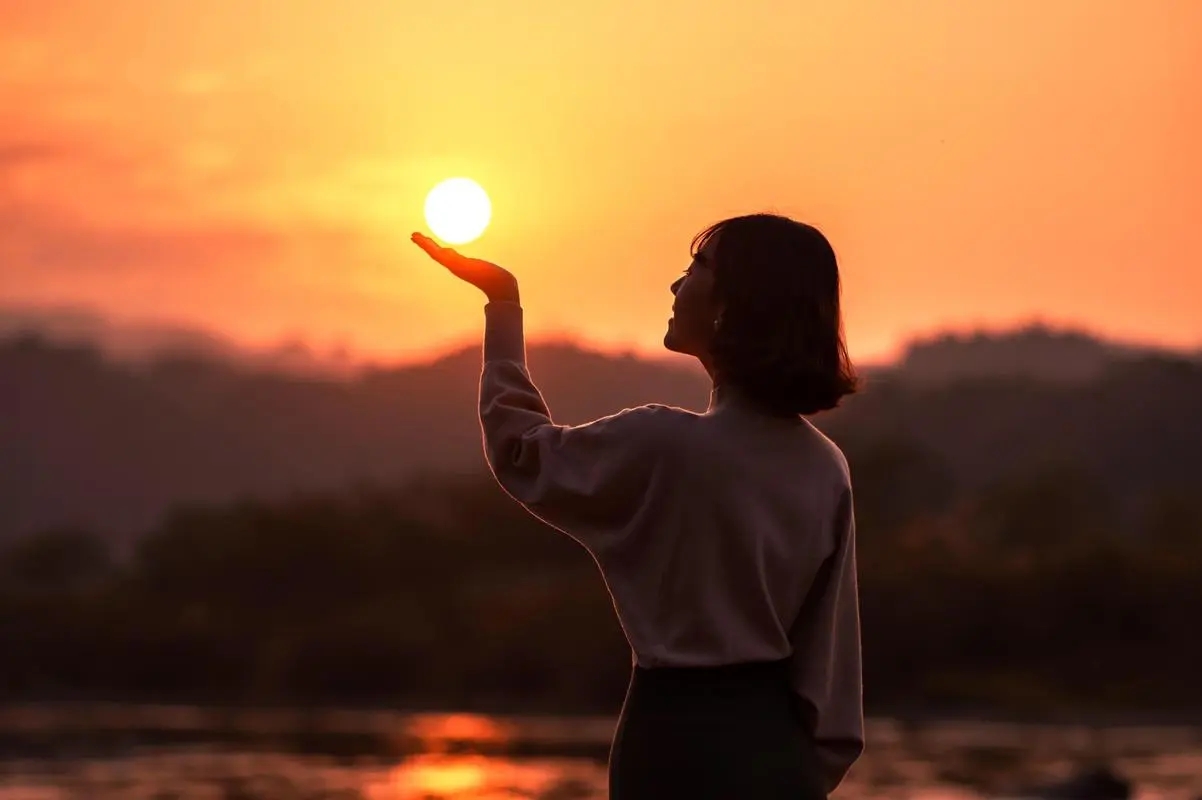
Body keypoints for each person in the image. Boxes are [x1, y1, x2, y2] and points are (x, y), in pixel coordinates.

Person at [411, 212, 863, 799]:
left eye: (696, 268)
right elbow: (830, 673)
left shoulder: (663, 445)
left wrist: (503, 301)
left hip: (672, 742)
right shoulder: (826, 466)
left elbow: (520, 452)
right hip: (779, 755)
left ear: (736, 302)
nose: (677, 286)